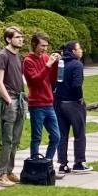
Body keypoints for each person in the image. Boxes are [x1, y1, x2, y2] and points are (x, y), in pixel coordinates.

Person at [0, 25, 27, 187]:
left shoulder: (16, 56)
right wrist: (8, 100)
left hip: (19, 99)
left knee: (15, 139)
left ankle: (9, 170)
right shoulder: (2, 56)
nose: (21, 39)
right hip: (9, 100)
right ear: (8, 39)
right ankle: (1, 174)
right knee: (6, 139)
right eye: (17, 37)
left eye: (21, 37)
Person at [21, 31, 62, 165]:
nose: (45, 49)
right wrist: (48, 65)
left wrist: (55, 63)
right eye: (42, 46)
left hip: (49, 103)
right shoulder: (28, 61)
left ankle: (46, 164)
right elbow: (34, 81)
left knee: (56, 136)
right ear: (34, 45)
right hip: (36, 104)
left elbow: (52, 78)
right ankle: (34, 165)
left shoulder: (45, 57)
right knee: (36, 137)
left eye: (46, 46)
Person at [55, 40, 89, 173]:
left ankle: (62, 164)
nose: (81, 51)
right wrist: (79, 97)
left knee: (62, 135)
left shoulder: (61, 63)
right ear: (74, 51)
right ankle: (79, 163)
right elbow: (76, 85)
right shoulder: (77, 65)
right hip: (73, 103)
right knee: (79, 133)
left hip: (59, 102)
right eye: (79, 48)